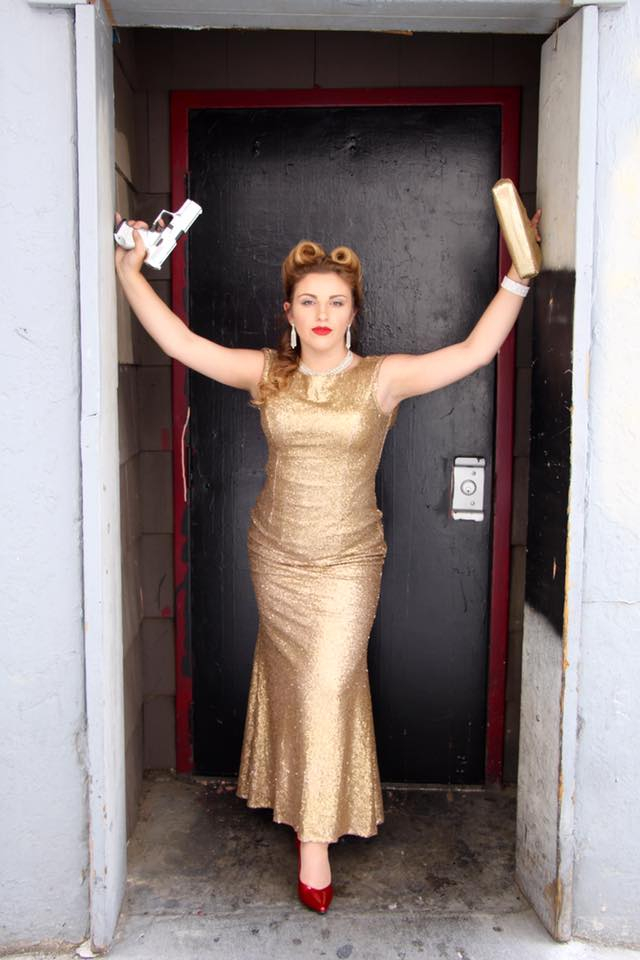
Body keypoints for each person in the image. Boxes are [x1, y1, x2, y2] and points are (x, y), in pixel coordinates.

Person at [114, 207, 542, 914]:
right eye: (308, 301)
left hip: (348, 561)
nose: (321, 314)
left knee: (328, 681)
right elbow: (182, 343)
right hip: (276, 554)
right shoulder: (268, 374)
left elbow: (472, 351)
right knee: (292, 679)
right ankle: (297, 801)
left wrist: (518, 279)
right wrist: (130, 272)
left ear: (353, 314)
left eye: (335, 302)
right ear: (288, 312)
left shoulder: (381, 379)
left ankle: (314, 838)